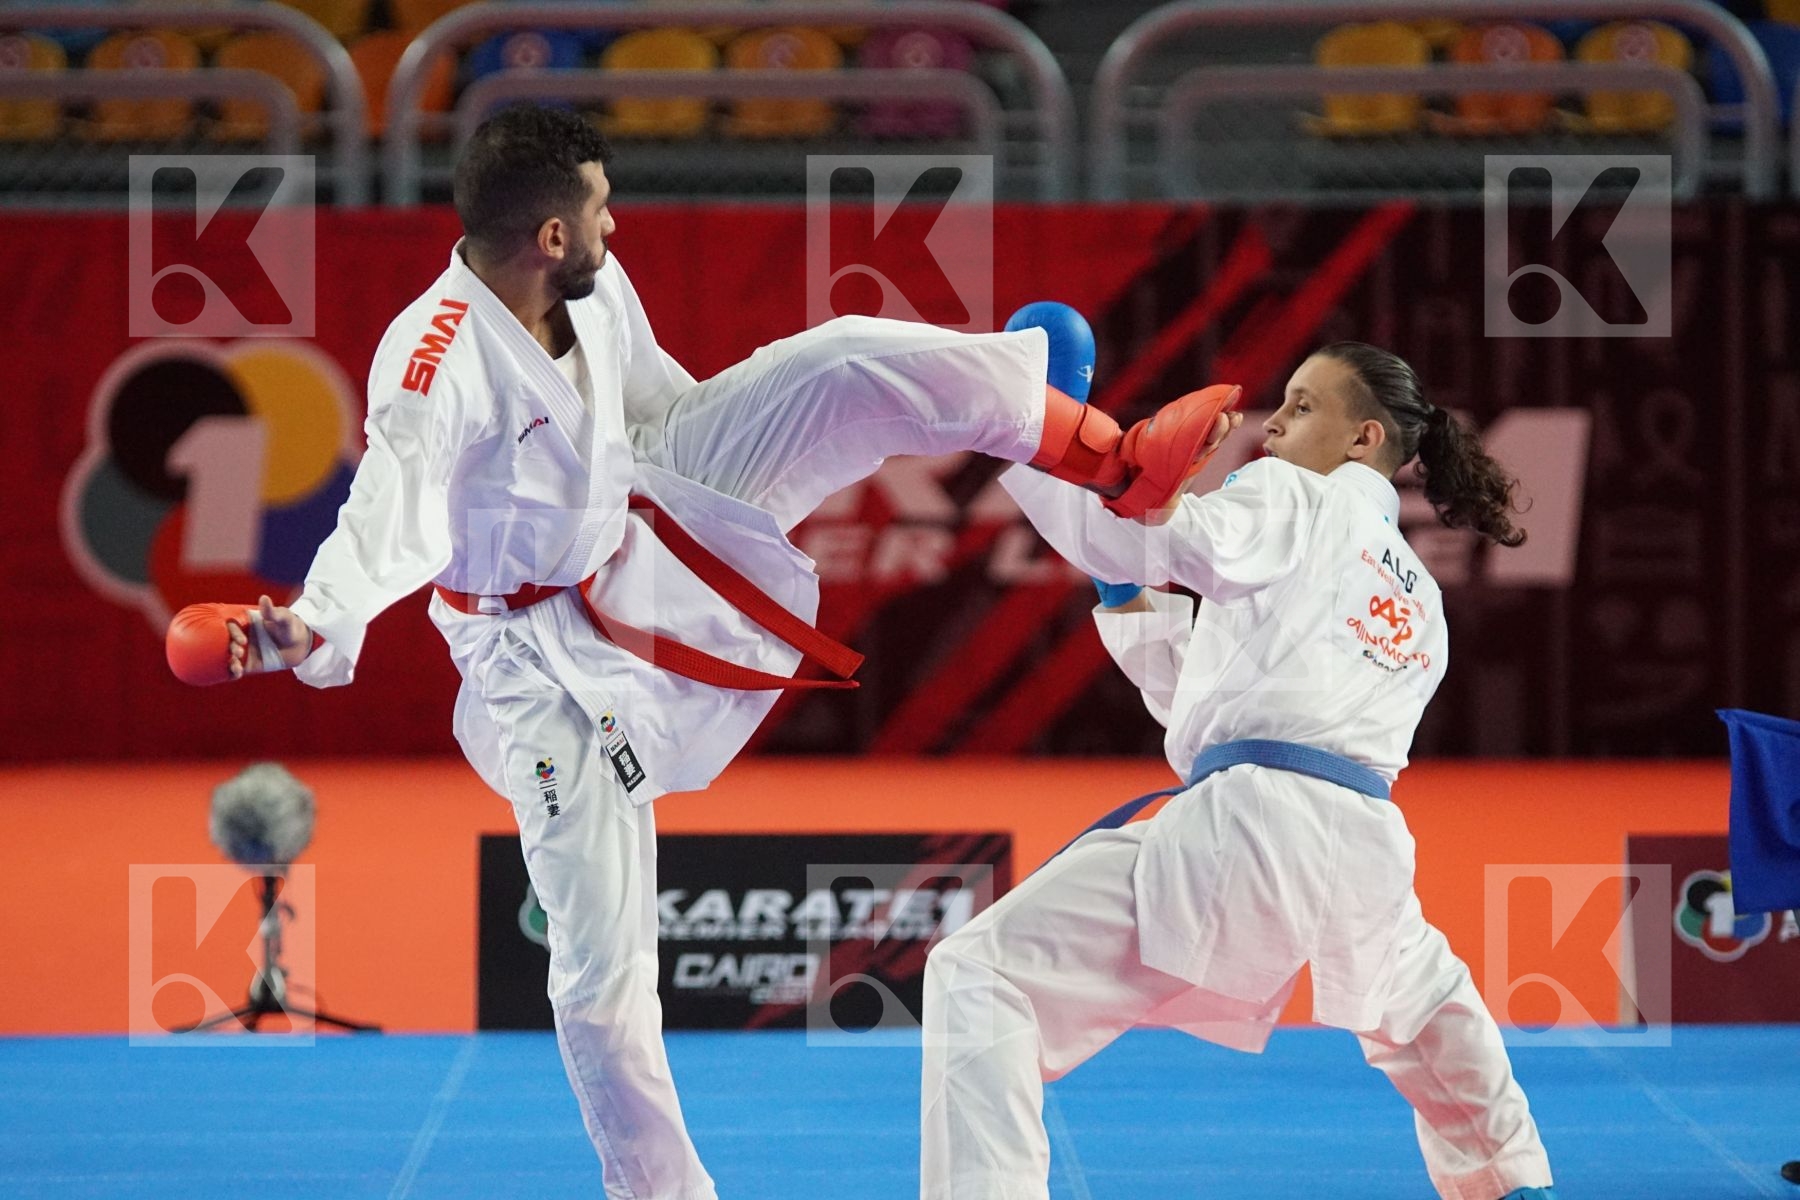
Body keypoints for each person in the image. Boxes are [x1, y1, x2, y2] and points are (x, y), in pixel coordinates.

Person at [163, 105, 1232, 1200]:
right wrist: (307, 620)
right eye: (600, 209)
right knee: (602, 965)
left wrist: (746, 458)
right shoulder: (435, 364)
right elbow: (393, 515)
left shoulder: (584, 289)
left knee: (843, 358)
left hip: (651, 503)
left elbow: (662, 405)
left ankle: (1105, 455)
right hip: (537, 665)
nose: (615, 224)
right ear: (549, 238)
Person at [921, 339, 1558, 1200]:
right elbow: (1226, 702)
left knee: (982, 974)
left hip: (1248, 830)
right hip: (1359, 846)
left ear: (1363, 439)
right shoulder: (1418, 596)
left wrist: (1032, 427)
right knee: (1426, 1010)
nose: (1277, 422)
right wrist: (1130, 600)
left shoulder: (1291, 493)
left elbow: (1160, 536)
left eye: (1302, 405)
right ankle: (1513, 1180)